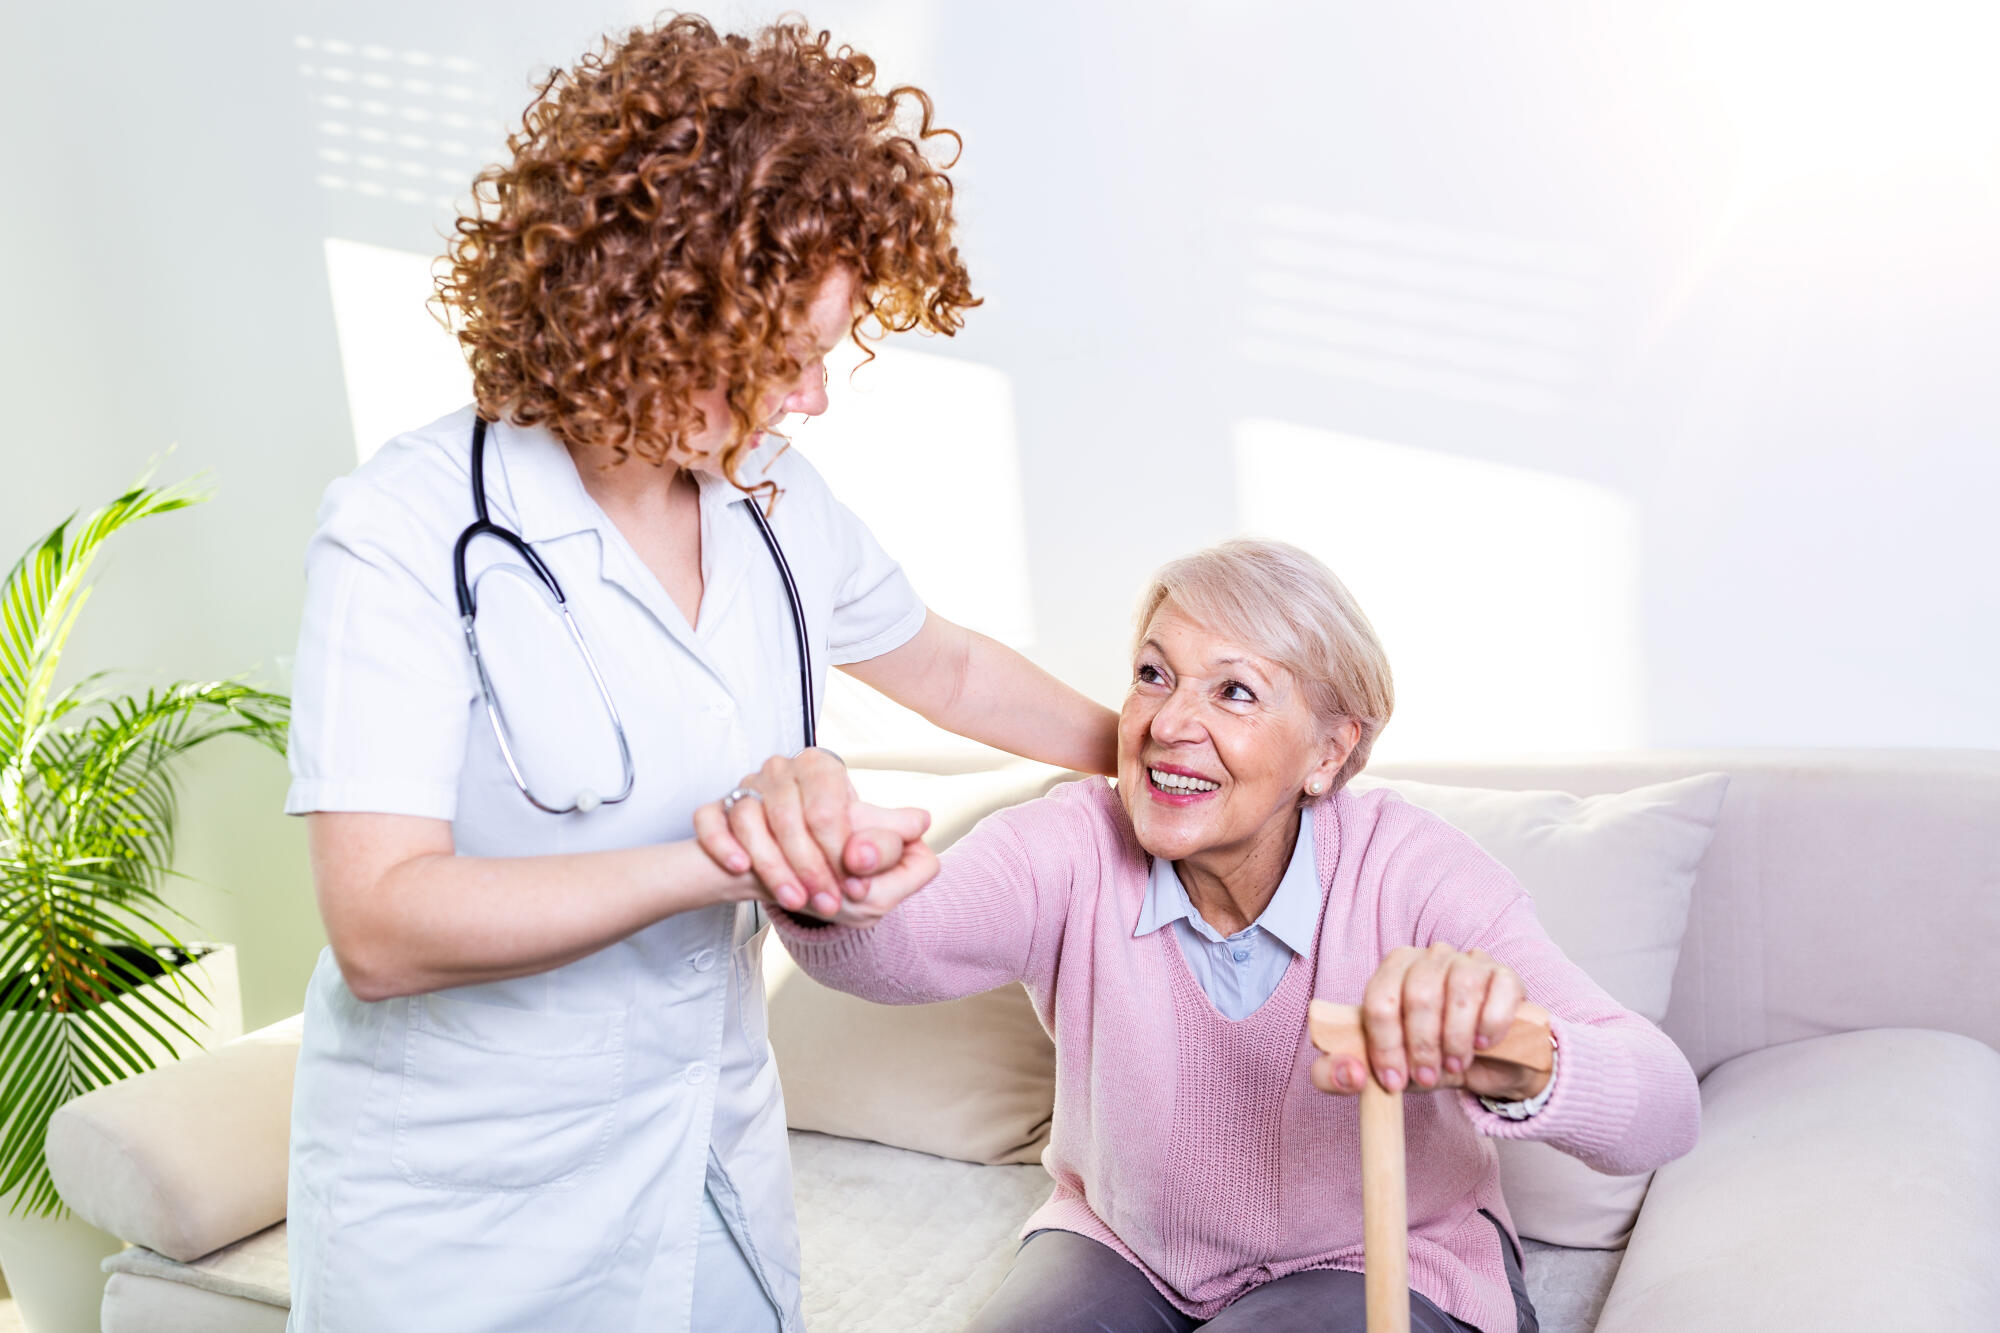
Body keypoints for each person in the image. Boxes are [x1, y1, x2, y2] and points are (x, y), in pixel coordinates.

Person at [282, 16, 1115, 1332]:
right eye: (784, 356)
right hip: (461, 1212)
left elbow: (945, 663)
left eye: (828, 356)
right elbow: (380, 926)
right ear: (651, 311)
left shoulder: (773, 496)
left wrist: (1155, 747)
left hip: (705, 1157)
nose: (813, 399)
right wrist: (733, 860)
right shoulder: (409, 529)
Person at [701, 540, 1700, 1333]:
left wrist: (1514, 1054)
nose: (1168, 722)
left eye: (1232, 691)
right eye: (1151, 674)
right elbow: (899, 950)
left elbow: (1660, 1111)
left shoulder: (1410, 868)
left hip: (1372, 1261)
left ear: (1327, 749)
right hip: (1122, 1245)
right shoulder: (1077, 838)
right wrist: (830, 882)